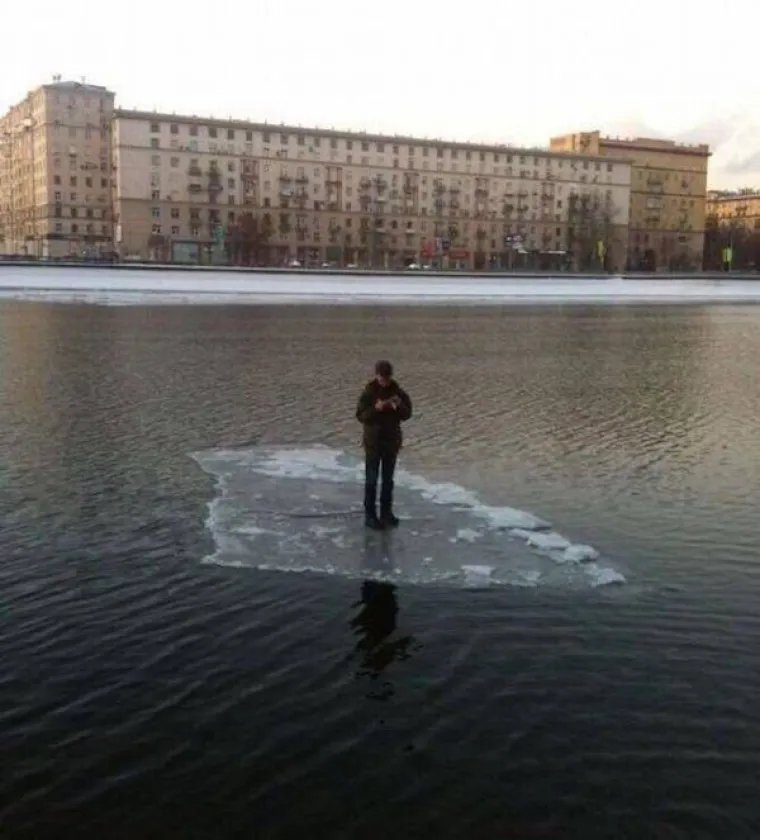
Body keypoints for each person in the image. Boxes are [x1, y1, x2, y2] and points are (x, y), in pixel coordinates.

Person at [355, 360, 413, 529]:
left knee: (388, 480)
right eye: (382, 377)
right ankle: (370, 515)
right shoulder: (369, 392)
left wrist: (398, 405)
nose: (384, 381)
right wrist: (376, 408)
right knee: (371, 481)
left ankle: (386, 513)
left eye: (387, 377)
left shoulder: (398, 392)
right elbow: (360, 415)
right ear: (377, 375)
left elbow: (407, 414)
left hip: (391, 443)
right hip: (373, 443)